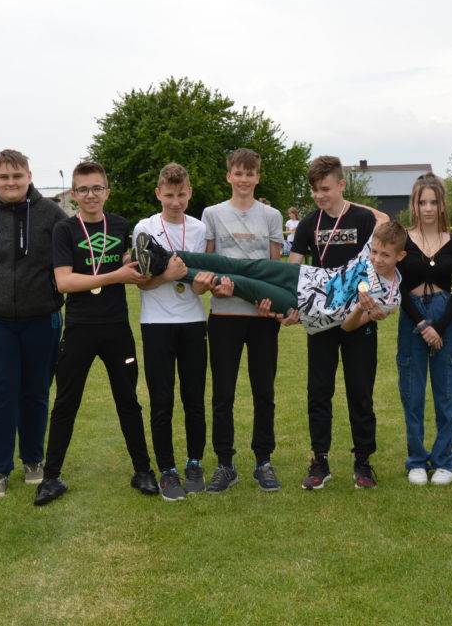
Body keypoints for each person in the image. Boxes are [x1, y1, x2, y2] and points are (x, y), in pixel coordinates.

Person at [34, 161, 157, 506]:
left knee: (128, 400)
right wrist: (116, 276)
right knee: (66, 402)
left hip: (117, 327)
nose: (91, 195)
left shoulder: (119, 225)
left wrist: (139, 263)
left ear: (107, 192)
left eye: (97, 188)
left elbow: (128, 262)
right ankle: (51, 478)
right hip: (79, 328)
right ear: (74, 194)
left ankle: (143, 471)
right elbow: (64, 282)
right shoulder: (64, 229)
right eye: (84, 189)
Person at [0, 149, 66, 499]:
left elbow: (65, 258)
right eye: (3, 177)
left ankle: (33, 460)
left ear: (29, 177)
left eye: (17, 176)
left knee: (36, 391)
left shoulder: (52, 214)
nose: (11, 182)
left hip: (43, 317)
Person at [134, 214, 404, 335]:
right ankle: (160, 254)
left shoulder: (389, 297)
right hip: (303, 276)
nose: (377, 259)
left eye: (385, 255)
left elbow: (347, 326)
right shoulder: (373, 245)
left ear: (400, 257)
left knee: (238, 282)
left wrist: (360, 309)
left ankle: (160, 266)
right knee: (236, 265)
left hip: (302, 306)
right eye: (375, 252)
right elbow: (382, 216)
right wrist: (343, 200)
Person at [289, 156, 380, 490]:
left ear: (342, 185)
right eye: (314, 190)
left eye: (325, 188)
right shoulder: (307, 224)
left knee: (360, 390)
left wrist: (375, 300)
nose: (319, 195)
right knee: (319, 390)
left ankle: (363, 461)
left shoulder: (363, 219)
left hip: (359, 316)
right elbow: (294, 268)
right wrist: (290, 305)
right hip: (321, 319)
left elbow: (378, 261)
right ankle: (320, 460)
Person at [199, 148, 285, 493]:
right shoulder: (212, 214)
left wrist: (271, 302)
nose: (244, 179)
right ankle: (225, 463)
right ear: (229, 176)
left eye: (250, 174)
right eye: (238, 173)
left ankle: (263, 461)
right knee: (223, 394)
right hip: (224, 316)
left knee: (264, 392)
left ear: (257, 177)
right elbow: (207, 265)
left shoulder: (272, 216)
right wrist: (215, 289)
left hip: (262, 317)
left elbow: (275, 269)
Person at [132, 163, 210, 501]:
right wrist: (168, 276)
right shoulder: (145, 228)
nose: (175, 202)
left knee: (194, 398)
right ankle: (167, 470)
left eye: (181, 195)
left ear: (189, 193)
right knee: (162, 401)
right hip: (156, 323)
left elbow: (201, 284)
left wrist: (201, 283)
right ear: (158, 194)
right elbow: (142, 282)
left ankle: (194, 463)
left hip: (193, 321)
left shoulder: (200, 229)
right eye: (169, 195)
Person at [396, 172, 452, 486]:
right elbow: (396, 285)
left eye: (433, 202)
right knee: (412, 392)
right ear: (413, 204)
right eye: (422, 202)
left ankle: (444, 460)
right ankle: (417, 460)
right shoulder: (403, 240)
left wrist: (440, 325)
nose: (428, 208)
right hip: (412, 317)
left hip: (445, 314)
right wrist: (422, 324)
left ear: (442, 204)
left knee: (447, 391)